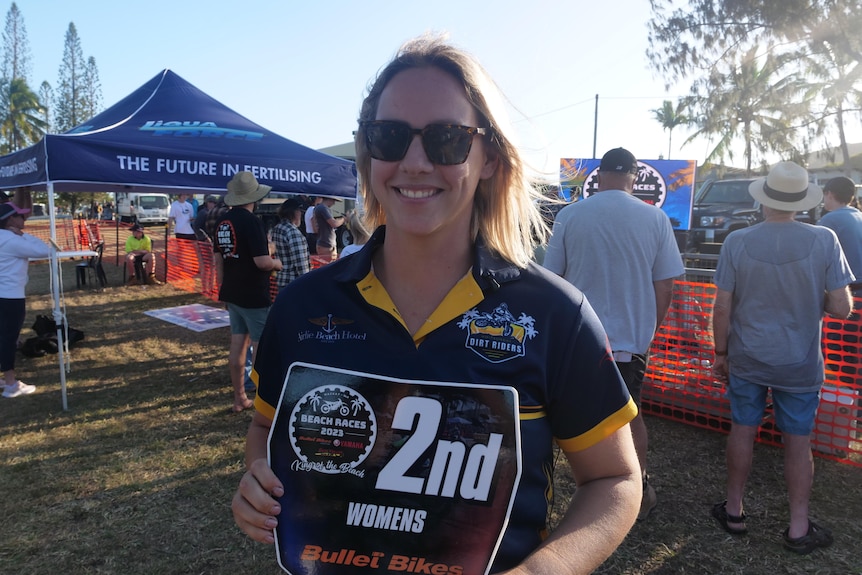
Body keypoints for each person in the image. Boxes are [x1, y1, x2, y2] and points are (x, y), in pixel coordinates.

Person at [231, 36, 641, 574]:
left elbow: (614, 479)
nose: (415, 162)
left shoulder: (555, 316)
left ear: (490, 157)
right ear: (367, 152)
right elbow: (265, 429)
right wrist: (256, 477)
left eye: (447, 139)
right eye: (390, 136)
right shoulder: (302, 305)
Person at [711, 161, 854, 554]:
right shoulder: (824, 239)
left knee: (742, 429)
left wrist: (721, 353)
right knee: (797, 441)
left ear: (763, 199)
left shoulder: (736, 242)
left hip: (747, 357)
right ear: (802, 202)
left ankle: (735, 511)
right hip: (801, 362)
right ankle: (798, 527)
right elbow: (842, 308)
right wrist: (812, 294)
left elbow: (722, 307)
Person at [543, 146, 684, 521]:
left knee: (556, 414)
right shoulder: (655, 218)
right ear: (634, 179)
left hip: (575, 338)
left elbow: (552, 278)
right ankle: (637, 486)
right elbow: (665, 285)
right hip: (629, 342)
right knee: (629, 415)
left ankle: (545, 489)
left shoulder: (571, 215)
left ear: (599, 176)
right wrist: (649, 328)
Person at [213, 171, 282, 413]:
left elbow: (218, 260)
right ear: (254, 197)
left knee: (237, 346)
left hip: (232, 292)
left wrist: (223, 290)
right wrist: (277, 263)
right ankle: (267, 400)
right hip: (253, 294)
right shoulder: (252, 222)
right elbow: (262, 262)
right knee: (262, 348)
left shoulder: (223, 221)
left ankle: (240, 397)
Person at [0, 202, 51, 398]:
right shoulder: (11, 239)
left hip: (4, 293)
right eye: (20, 216)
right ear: (10, 219)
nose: (24, 219)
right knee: (8, 339)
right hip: (10, 295)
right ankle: (11, 384)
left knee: (3, 336)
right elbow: (45, 250)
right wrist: (24, 235)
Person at [818, 176, 862, 298]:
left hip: (850, 291)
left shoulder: (829, 220)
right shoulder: (859, 215)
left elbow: (818, 258)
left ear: (829, 194)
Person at [270, 198, 310, 290]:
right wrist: (308, 282)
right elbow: (301, 264)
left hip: (281, 280)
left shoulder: (276, 229)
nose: (301, 214)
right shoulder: (293, 232)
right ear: (295, 213)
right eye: (300, 212)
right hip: (294, 284)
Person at [312, 195, 344, 261]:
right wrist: (344, 219)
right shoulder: (322, 208)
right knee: (327, 267)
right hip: (326, 244)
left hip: (326, 243)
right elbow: (334, 224)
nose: (334, 203)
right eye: (334, 200)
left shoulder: (320, 208)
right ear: (329, 199)